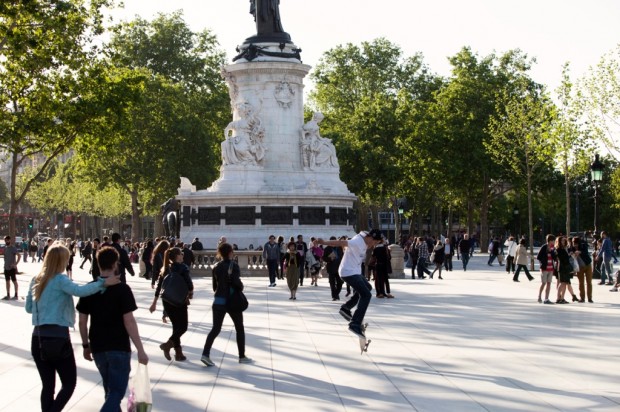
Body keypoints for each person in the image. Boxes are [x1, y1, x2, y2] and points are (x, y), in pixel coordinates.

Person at [25, 244, 120, 412]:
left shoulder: (36, 279)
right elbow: (80, 291)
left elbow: (29, 308)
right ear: (62, 261)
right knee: (69, 383)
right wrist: (103, 283)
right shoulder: (60, 280)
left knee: (47, 386)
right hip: (58, 338)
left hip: (38, 338)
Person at [76, 247, 149, 411]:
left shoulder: (89, 289)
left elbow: (82, 321)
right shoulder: (122, 289)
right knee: (116, 392)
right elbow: (129, 321)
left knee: (110, 392)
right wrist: (140, 350)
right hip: (118, 346)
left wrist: (86, 345)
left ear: (98, 263)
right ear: (115, 264)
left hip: (98, 346)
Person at [317, 229, 383, 338]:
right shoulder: (356, 242)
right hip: (348, 272)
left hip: (355, 272)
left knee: (368, 287)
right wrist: (323, 242)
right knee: (366, 295)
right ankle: (355, 323)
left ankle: (346, 308)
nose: (373, 245)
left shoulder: (365, 237)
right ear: (370, 238)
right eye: (374, 242)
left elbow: (365, 232)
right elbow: (340, 243)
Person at [201, 242, 252, 366]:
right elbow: (236, 282)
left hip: (219, 300)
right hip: (232, 300)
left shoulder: (216, 266)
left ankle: (205, 354)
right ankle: (241, 356)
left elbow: (215, 286)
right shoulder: (233, 265)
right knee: (239, 328)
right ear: (230, 253)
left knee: (215, 329)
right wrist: (241, 286)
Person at [149, 247, 194, 361]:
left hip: (167, 300)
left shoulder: (165, 268)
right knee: (183, 327)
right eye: (181, 253)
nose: (183, 255)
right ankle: (167, 345)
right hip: (178, 301)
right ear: (177, 256)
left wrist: (154, 303)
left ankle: (178, 353)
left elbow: (159, 287)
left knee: (176, 326)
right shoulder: (183, 268)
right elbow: (189, 285)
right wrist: (190, 292)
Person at [555, 236, 578, 303]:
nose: (563, 242)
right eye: (562, 240)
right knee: (562, 283)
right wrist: (568, 255)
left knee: (565, 283)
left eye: (564, 240)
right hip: (563, 267)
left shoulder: (563, 248)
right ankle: (558, 298)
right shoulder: (559, 249)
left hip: (565, 267)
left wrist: (569, 255)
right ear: (559, 242)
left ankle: (562, 298)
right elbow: (562, 259)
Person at [572, 236, 593, 302]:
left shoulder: (583, 246)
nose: (575, 245)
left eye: (576, 244)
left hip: (587, 265)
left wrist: (580, 252)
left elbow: (586, 252)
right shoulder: (572, 248)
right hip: (579, 267)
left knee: (589, 282)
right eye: (574, 243)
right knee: (581, 283)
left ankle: (590, 298)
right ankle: (582, 298)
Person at [536, 234, 556, 304]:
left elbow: (554, 258)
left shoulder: (553, 248)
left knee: (549, 283)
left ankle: (546, 298)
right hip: (544, 268)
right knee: (543, 283)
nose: (554, 242)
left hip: (551, 268)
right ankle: (539, 296)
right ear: (550, 241)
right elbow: (538, 257)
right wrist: (542, 263)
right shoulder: (544, 247)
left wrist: (551, 251)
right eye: (553, 241)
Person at [3, 235, 21, 300]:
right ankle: (8, 295)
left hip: (12, 268)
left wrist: (15, 264)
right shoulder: (5, 248)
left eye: (7, 240)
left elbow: (19, 256)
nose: (6, 241)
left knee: (14, 281)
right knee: (7, 281)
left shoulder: (13, 248)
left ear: (9, 240)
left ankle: (16, 295)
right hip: (6, 268)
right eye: (5, 240)